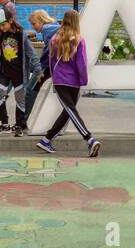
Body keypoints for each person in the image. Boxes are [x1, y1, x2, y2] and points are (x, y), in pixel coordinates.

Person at [36, 10, 100, 156]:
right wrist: (83, 80)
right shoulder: (79, 39)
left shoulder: (55, 39)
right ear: (77, 21)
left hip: (60, 80)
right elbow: (82, 63)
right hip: (74, 81)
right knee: (71, 110)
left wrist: (54, 78)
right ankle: (89, 138)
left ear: (64, 20)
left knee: (68, 111)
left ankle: (47, 139)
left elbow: (51, 62)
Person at [0, 14, 37, 136]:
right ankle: (4, 124)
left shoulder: (21, 35)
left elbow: (32, 53)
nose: (1, 27)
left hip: (19, 73)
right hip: (4, 71)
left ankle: (19, 126)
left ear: (10, 21)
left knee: (19, 99)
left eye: (3, 24)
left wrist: (38, 69)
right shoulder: (1, 34)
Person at [26, 10, 61, 119]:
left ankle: (22, 121)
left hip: (47, 65)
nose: (33, 27)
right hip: (54, 65)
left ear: (42, 21)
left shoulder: (47, 29)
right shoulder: (53, 26)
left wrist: (39, 68)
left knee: (30, 90)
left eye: (34, 23)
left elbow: (47, 51)